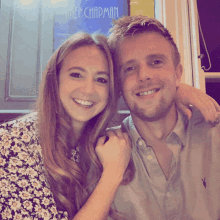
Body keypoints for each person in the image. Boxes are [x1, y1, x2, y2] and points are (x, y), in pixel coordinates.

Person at [0, 32, 218, 220]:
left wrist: (172, 89)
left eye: (102, 79)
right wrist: (113, 173)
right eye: (76, 75)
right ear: (54, 79)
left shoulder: (97, 144)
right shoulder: (12, 143)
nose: (88, 89)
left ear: (113, 89)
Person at [107, 15, 220, 220]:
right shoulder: (100, 155)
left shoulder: (215, 136)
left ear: (177, 73)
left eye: (156, 62)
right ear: (118, 84)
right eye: (129, 68)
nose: (143, 75)